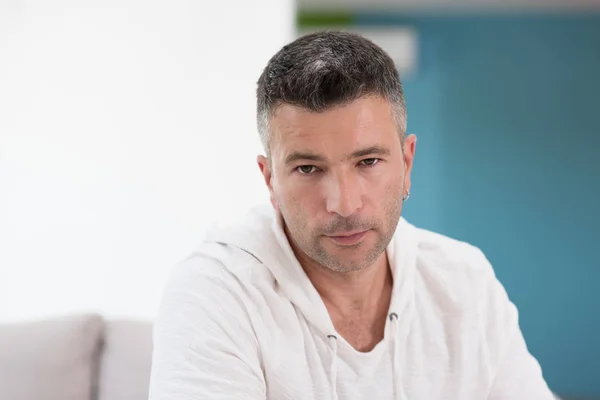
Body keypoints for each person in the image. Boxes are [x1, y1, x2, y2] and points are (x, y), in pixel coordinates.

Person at [148, 31, 555, 400]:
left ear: (407, 163)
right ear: (270, 179)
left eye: (369, 161)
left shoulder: (465, 282)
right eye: (308, 169)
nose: (344, 204)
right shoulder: (217, 292)